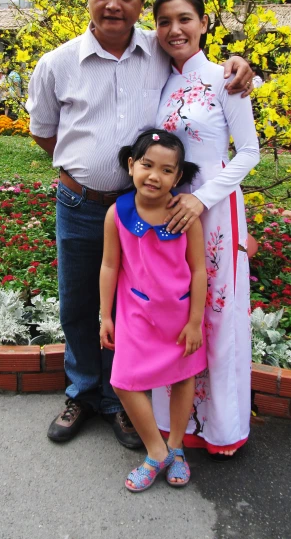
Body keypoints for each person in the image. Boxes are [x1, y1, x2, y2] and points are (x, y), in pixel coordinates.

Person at [26, 0, 254, 448]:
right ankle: (83, 392)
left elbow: (200, 56)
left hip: (141, 208)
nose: (113, 4)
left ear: (139, 2)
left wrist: (239, 63)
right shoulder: (57, 63)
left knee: (134, 306)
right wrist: (82, 167)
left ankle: (121, 400)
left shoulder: (158, 50)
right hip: (81, 202)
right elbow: (44, 133)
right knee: (80, 303)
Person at [151, 0, 260, 459]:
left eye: (185, 19)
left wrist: (203, 199)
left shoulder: (224, 79)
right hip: (170, 212)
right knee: (174, 309)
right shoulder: (160, 79)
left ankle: (219, 427)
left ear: (203, 24)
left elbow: (249, 153)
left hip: (214, 213)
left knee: (217, 312)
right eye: (164, 21)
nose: (175, 30)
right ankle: (169, 422)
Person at [100, 129, 207, 492]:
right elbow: (110, 266)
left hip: (179, 318)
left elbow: (198, 270)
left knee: (181, 377)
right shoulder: (117, 214)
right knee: (123, 381)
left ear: (177, 177)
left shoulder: (185, 215)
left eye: (166, 170)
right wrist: (105, 314)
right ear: (131, 165)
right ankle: (156, 450)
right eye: (147, 165)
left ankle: (176, 447)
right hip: (136, 316)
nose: (154, 176)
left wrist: (195, 322)